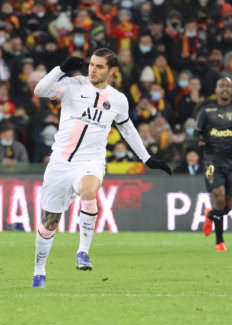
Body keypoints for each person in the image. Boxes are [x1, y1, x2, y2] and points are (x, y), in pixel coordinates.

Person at [31, 49, 172, 288]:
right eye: (91, 65)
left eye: (99, 66)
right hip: (60, 163)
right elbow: (40, 90)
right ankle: (39, 270)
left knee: (89, 191)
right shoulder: (73, 84)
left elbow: (128, 130)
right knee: (50, 222)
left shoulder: (118, 99)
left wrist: (147, 159)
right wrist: (62, 68)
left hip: (91, 161)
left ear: (112, 71)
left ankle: (83, 251)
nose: (92, 69)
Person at [194, 77, 232, 252]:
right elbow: (196, 133)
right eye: (222, 86)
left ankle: (210, 215)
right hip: (213, 160)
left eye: (228, 86)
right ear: (216, 90)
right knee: (219, 197)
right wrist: (201, 141)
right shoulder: (206, 111)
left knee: (229, 206)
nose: (225, 89)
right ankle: (219, 242)